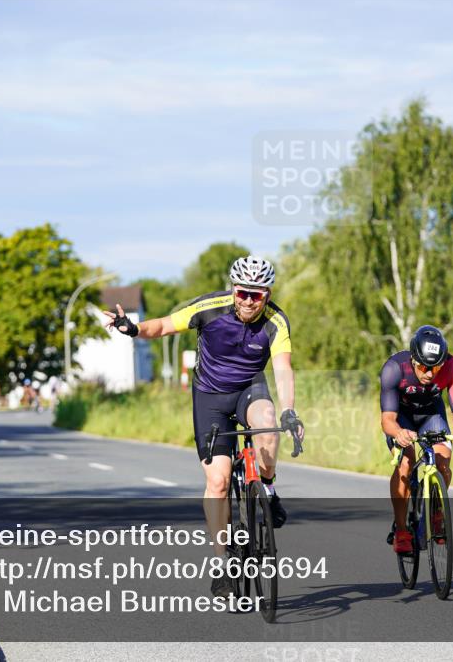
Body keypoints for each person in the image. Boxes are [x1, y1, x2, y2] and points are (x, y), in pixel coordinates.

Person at [103, 256, 305, 599]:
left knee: (268, 426)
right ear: (233, 289)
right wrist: (134, 328)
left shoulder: (276, 321)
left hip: (250, 389)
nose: (248, 301)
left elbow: (283, 368)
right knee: (218, 481)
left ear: (267, 295)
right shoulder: (209, 308)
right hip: (210, 396)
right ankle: (222, 564)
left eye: (257, 295)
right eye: (243, 293)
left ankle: (268, 490)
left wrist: (289, 411)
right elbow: (164, 326)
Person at [380, 325, 453, 554]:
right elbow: (387, 420)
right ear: (414, 360)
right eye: (424, 367)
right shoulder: (394, 368)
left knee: (443, 464)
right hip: (401, 417)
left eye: (436, 367)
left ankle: (436, 512)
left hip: (431, 416)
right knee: (405, 464)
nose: (430, 374)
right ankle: (402, 530)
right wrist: (399, 433)